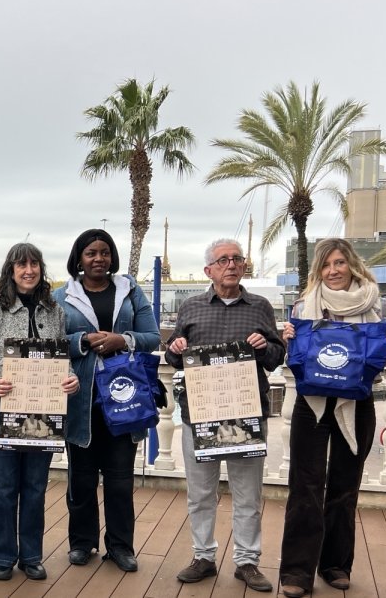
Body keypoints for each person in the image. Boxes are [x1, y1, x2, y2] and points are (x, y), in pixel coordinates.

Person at [278, 238, 386, 598]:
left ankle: (335, 565)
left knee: (345, 486)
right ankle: (297, 571)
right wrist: (289, 339)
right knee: (305, 486)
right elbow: (295, 360)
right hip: (312, 403)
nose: (333, 271)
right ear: (319, 270)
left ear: (352, 265)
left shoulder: (375, 304)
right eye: (326, 265)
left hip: (357, 402)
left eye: (340, 263)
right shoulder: (304, 305)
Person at [165, 238, 284, 593]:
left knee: (247, 494)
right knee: (200, 493)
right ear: (209, 270)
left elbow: (277, 356)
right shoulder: (191, 307)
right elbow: (174, 356)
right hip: (199, 414)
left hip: (247, 414)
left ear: (244, 266)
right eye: (223, 260)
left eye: (236, 259)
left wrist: (265, 347)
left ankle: (247, 561)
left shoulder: (260, 307)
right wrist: (176, 347)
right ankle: (203, 556)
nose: (231, 265)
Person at [54, 229, 160, 573]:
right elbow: (53, 342)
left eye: (104, 252)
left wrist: (122, 339)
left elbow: (152, 337)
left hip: (124, 396)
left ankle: (120, 547)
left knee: (120, 480)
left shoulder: (130, 291)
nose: (98, 258)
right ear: (79, 259)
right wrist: (82, 340)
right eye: (91, 253)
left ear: (112, 256)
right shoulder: (61, 297)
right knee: (81, 479)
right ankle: (81, 543)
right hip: (82, 399)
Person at [0, 243, 79, 582]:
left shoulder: (55, 311)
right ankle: (4, 556)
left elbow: (63, 359)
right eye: (22, 265)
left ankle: (31, 556)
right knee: (5, 488)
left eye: (34, 264)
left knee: (35, 486)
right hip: (0, 408)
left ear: (40, 269)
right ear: (11, 270)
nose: (29, 270)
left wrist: (71, 378)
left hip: (45, 412)